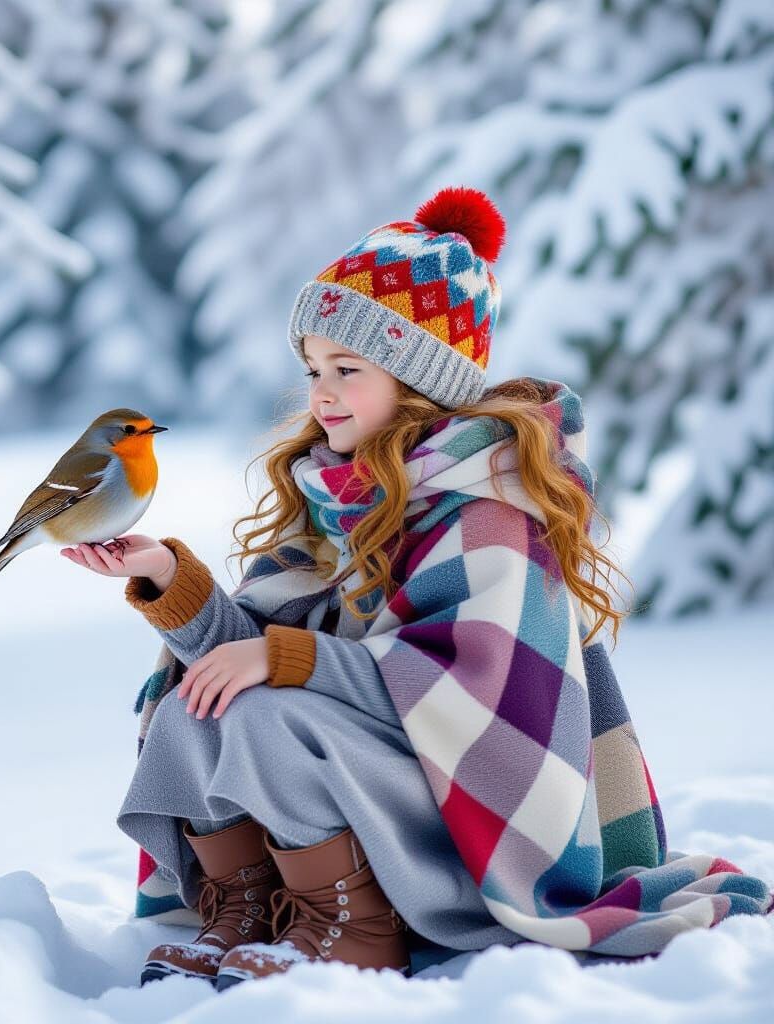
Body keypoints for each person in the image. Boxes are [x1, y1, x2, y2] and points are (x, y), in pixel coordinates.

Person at [62, 187, 773, 990]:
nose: (320, 393)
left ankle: (354, 922)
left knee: (267, 717)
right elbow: (259, 659)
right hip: (373, 780)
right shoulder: (336, 501)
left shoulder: (488, 515)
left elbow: (468, 696)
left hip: (462, 818)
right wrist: (169, 580)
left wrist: (286, 661)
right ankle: (251, 904)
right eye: (313, 370)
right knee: (199, 701)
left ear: (416, 378)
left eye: (346, 369)